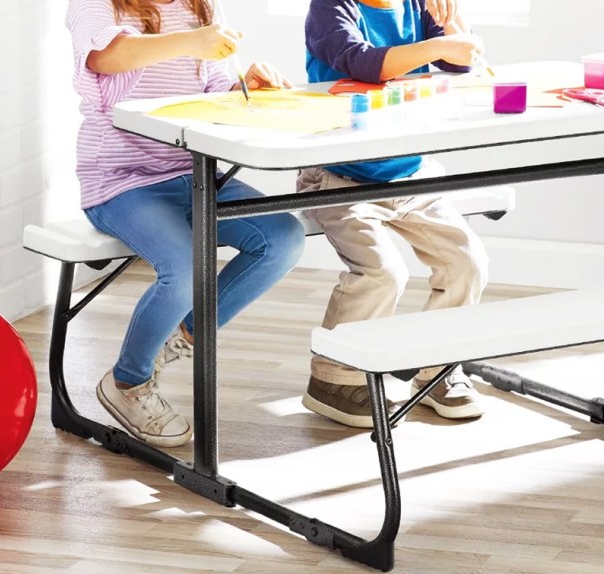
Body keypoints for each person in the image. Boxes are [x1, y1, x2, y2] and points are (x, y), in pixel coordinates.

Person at [66, 0, 304, 447]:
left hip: (195, 174)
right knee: (187, 266)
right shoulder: (95, 5)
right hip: (122, 181)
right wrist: (193, 40)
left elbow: (212, 89)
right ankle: (128, 381)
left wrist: (243, 85)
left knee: (282, 237)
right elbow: (108, 56)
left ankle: (177, 337)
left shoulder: (199, 5)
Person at [300, 0, 489, 428]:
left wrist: (454, 30)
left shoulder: (416, 5)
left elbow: (458, 62)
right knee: (382, 272)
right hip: (338, 176)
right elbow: (362, 63)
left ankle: (437, 367)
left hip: (407, 172)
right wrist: (440, 45)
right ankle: (334, 378)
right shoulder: (330, 8)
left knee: (466, 261)